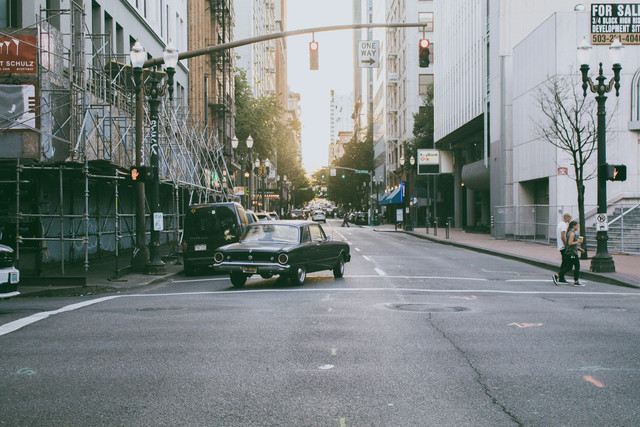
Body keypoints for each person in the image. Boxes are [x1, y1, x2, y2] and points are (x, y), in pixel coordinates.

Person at [555, 220, 585, 286]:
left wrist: (579, 249)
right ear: (573, 226)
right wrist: (578, 242)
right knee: (577, 266)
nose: (577, 227)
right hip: (572, 253)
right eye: (577, 225)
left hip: (570, 252)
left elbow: (570, 244)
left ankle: (557, 276)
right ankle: (576, 281)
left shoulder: (569, 232)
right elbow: (570, 243)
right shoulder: (572, 233)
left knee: (569, 267)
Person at [553, 213, 572, 284]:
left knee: (564, 262)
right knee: (567, 263)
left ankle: (561, 277)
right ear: (567, 217)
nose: (570, 219)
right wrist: (566, 245)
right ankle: (558, 276)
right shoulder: (564, 225)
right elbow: (563, 236)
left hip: (560, 246)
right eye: (570, 218)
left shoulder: (560, 224)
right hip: (564, 247)